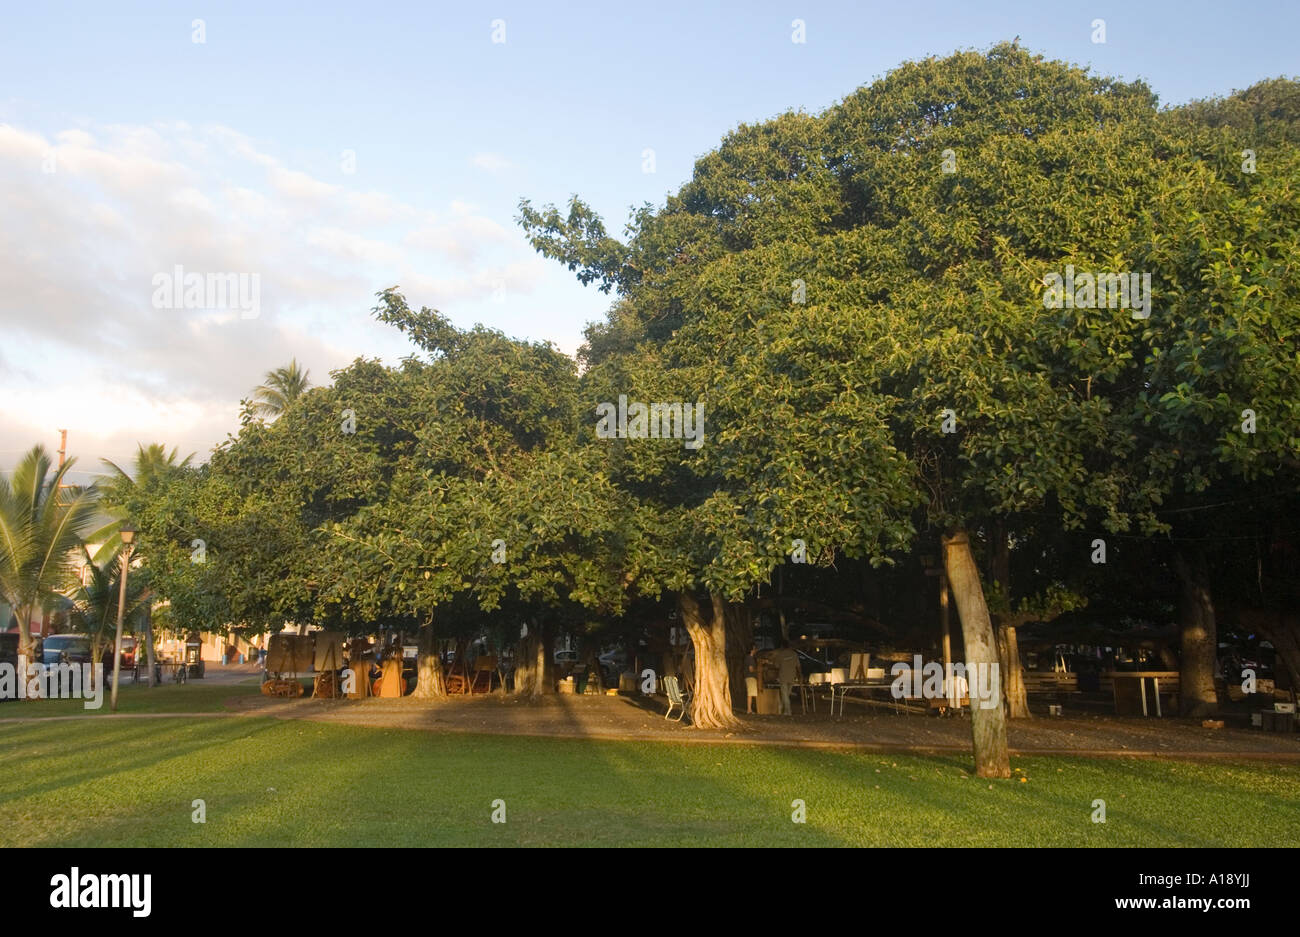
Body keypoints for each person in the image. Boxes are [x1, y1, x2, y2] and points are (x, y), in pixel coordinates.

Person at [771, 640, 801, 716]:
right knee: (786, 694)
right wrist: (800, 675)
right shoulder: (794, 654)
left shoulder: (780, 654)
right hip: (792, 677)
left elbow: (776, 666)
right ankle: (783, 710)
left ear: (782, 646)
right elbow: (798, 666)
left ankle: (788, 711)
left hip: (783, 676)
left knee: (785, 695)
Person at [744, 644, 759, 713]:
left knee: (751, 693)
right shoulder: (750, 658)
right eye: (755, 649)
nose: (756, 650)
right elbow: (751, 669)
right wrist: (759, 670)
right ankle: (749, 709)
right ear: (752, 650)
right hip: (750, 677)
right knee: (750, 694)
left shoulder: (749, 658)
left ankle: (750, 709)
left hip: (749, 677)